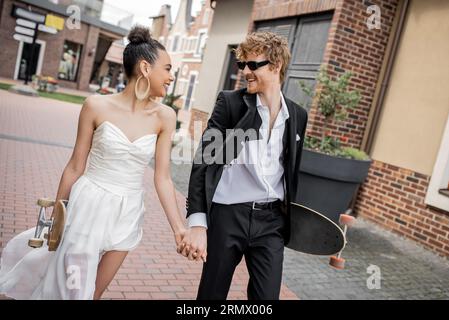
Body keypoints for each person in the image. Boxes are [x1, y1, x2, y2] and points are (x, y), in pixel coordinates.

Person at [0, 25, 186, 300]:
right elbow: (75, 165)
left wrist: (178, 228)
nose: (171, 78)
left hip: (128, 211)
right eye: (167, 69)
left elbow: (163, 178)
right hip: (87, 205)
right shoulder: (96, 106)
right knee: (72, 289)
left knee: (95, 292)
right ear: (146, 68)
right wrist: (55, 218)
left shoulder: (165, 117)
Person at [181, 32, 308, 300]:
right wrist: (197, 224)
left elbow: (291, 171)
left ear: (276, 66)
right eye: (242, 65)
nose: (245, 72)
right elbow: (204, 163)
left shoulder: (297, 115)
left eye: (253, 65)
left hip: (271, 222)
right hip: (229, 216)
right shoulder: (232, 104)